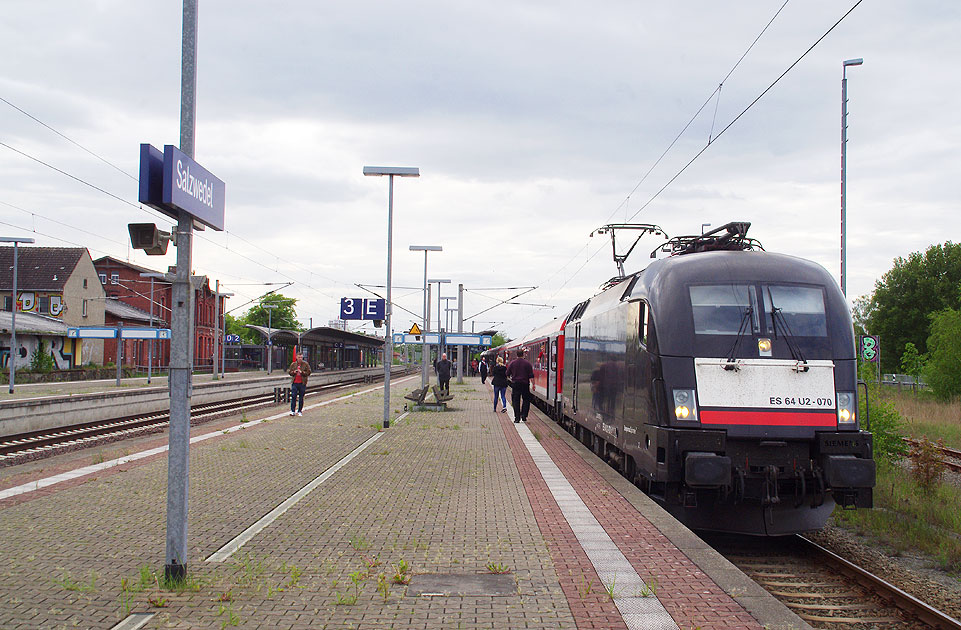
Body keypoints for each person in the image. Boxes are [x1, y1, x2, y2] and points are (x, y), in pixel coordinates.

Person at [506, 348, 534, 423]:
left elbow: (507, 374)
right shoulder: (527, 364)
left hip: (516, 384)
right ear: (523, 354)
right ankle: (524, 416)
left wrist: (511, 380)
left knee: (515, 400)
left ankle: (517, 418)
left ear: (517, 355)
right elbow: (531, 376)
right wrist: (533, 385)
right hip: (525, 384)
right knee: (526, 400)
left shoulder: (512, 363)